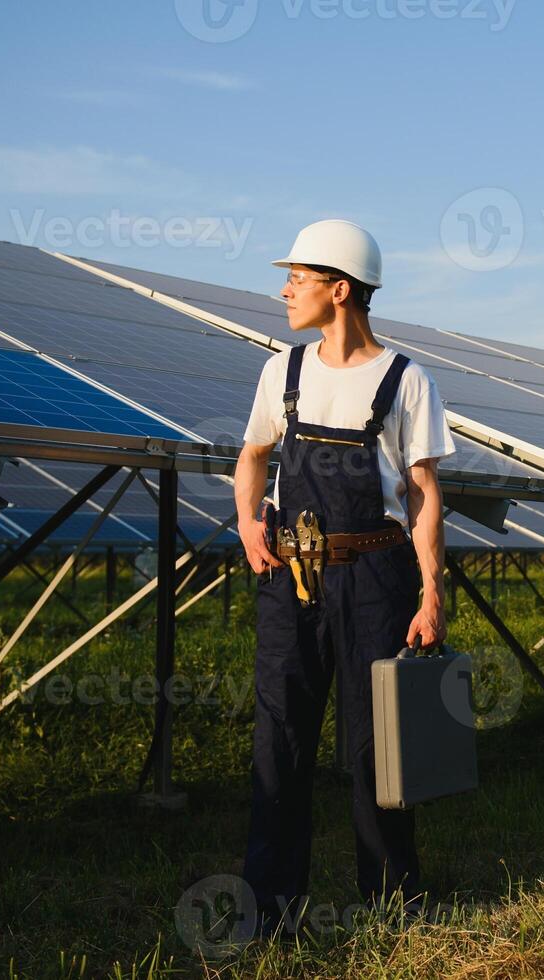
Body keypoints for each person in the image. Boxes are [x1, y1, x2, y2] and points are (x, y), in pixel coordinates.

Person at [233, 219, 456, 936]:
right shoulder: (283, 371)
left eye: (297, 278)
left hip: (376, 577)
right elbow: (253, 456)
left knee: (375, 748)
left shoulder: (405, 379)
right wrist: (246, 522)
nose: (284, 289)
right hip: (290, 579)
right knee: (279, 741)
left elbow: (421, 493)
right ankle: (269, 913)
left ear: (340, 290)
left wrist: (431, 593)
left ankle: (393, 907)